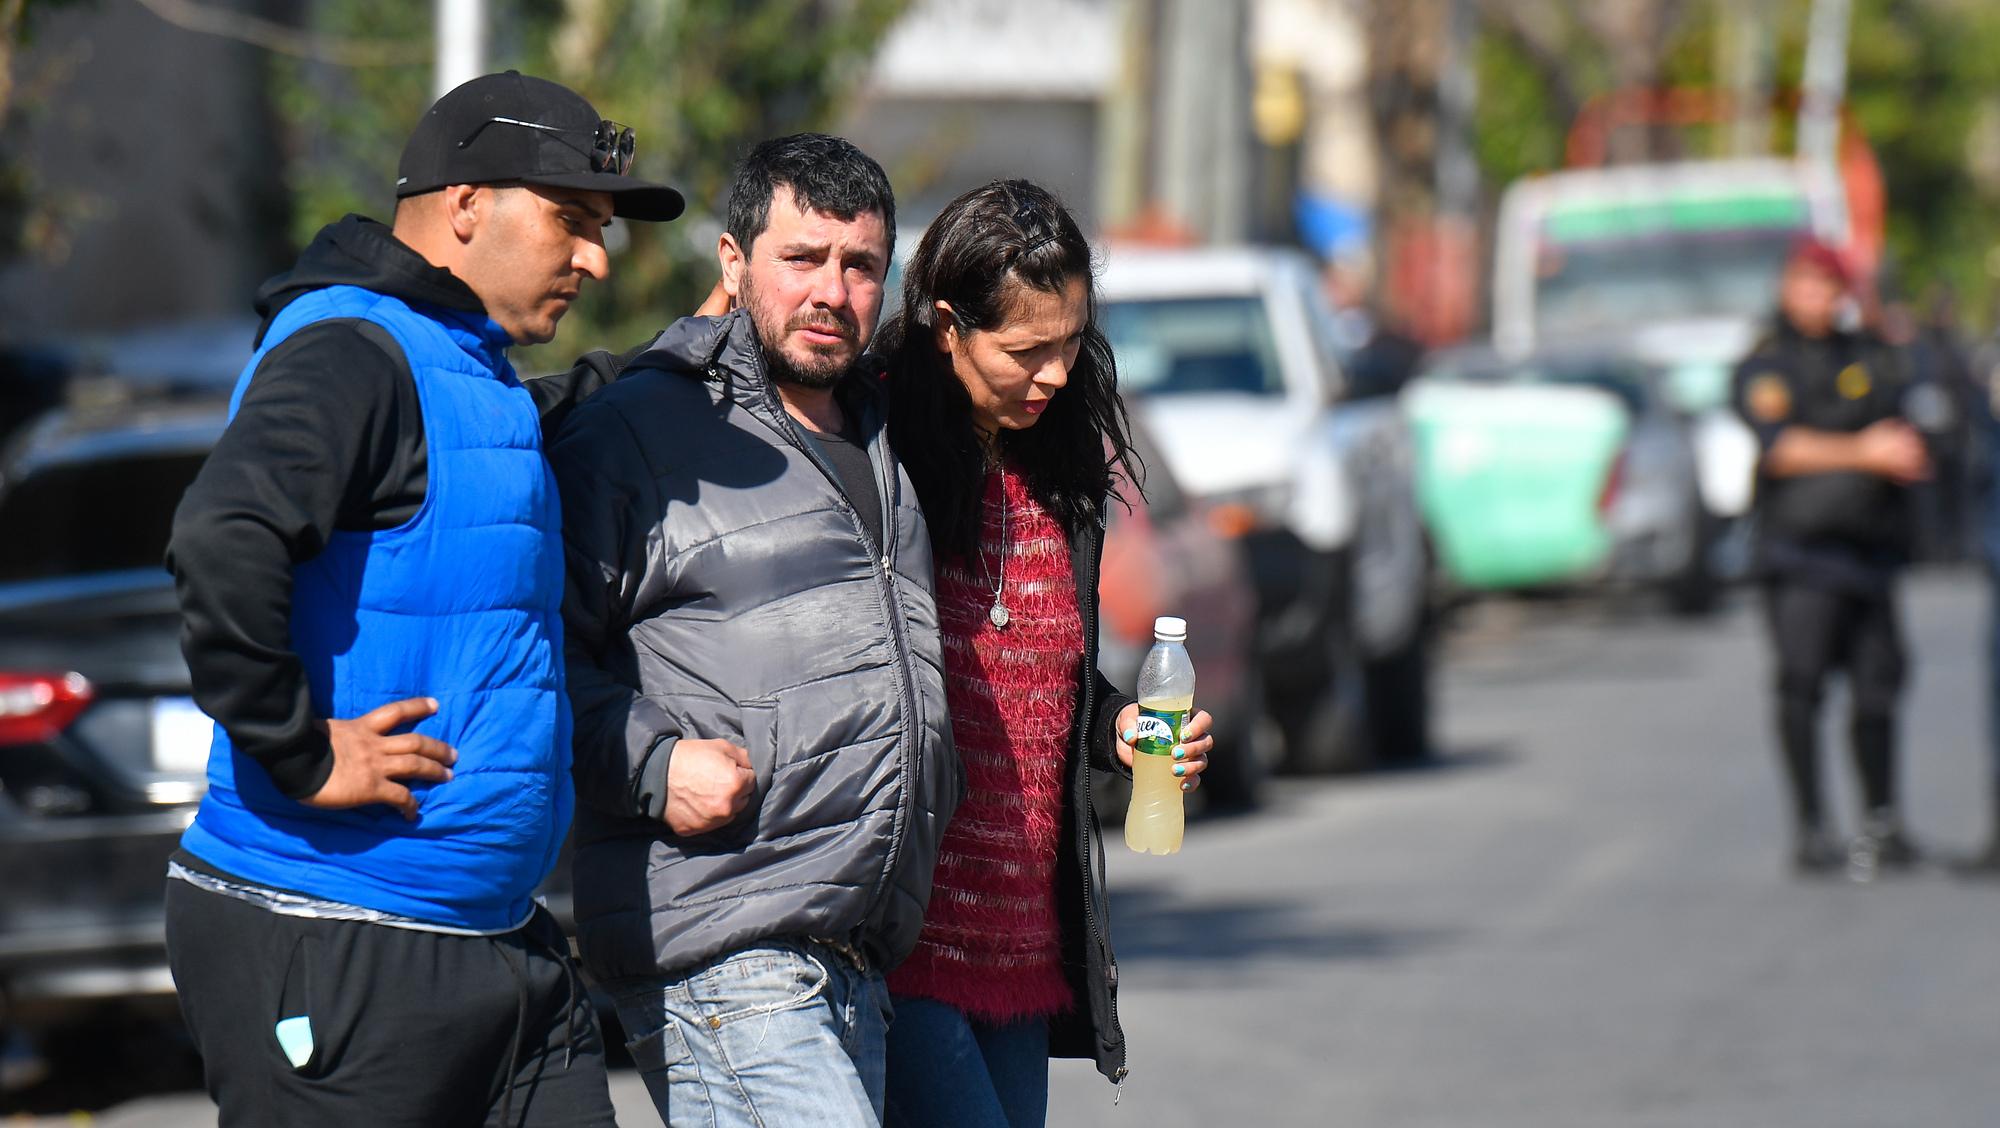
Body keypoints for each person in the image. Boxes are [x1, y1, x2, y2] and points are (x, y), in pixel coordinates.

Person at [163, 71, 683, 1127]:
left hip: (497, 945)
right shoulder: (350, 349)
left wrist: (695, 349)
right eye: (570, 222)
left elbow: (523, 434)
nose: (593, 257)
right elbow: (222, 538)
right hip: (334, 935)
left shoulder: (465, 366)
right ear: (464, 206)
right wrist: (300, 752)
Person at [549, 133, 955, 1127]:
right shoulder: (639, 433)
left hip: (858, 950)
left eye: (859, 265)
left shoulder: (888, 431)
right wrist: (653, 762)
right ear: (732, 266)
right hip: (724, 944)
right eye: (800, 259)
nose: (831, 291)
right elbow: (535, 660)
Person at [876, 180, 1216, 1127]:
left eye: (1071, 342)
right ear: (946, 326)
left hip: (1021, 953)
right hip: (905, 944)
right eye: (1027, 350)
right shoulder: (872, 458)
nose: (1058, 374)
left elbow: (1048, 677)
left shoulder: (1059, 471)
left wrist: (1126, 730)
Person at [1731, 237, 1929, 880]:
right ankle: (1812, 829)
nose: (1817, 297)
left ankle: (1882, 824)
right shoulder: (1768, 363)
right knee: (1802, 686)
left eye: (1829, 285)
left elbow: (1901, 426)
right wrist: (1861, 452)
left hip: (1867, 552)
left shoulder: (1866, 354)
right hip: (1800, 556)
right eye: (1806, 283)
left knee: (1878, 692)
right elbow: (1780, 448)